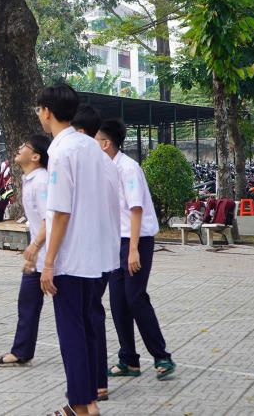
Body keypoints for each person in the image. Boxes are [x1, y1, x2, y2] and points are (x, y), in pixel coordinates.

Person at [36, 83, 121, 416]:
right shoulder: (91, 147)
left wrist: (48, 262)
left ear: (46, 110)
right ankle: (87, 401)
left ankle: (80, 405)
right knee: (86, 329)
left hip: (72, 258)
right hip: (97, 256)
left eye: (38, 109)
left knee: (71, 333)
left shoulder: (60, 150)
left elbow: (60, 212)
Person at [97, 118, 175, 385]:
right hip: (114, 242)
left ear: (106, 143)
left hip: (136, 242)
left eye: (96, 141)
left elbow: (136, 209)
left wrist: (132, 251)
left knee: (135, 297)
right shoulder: (104, 169)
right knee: (118, 302)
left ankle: (162, 356)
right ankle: (128, 359)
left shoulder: (128, 169)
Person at [0, 134, 51, 366]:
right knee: (27, 302)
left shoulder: (42, 181)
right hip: (38, 258)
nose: (19, 148)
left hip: (54, 258)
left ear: (36, 156)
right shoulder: (30, 180)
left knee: (73, 312)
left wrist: (35, 247)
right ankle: (21, 351)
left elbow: (52, 218)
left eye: (25, 146)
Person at [70, 103, 113, 402]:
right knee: (91, 314)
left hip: (91, 251)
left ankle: (96, 383)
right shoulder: (102, 162)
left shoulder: (88, 160)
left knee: (89, 316)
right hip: (99, 248)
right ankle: (96, 381)